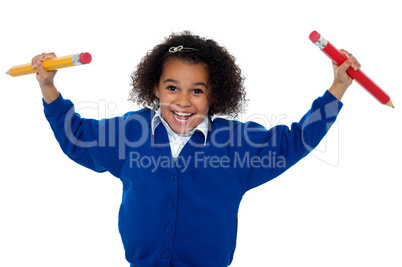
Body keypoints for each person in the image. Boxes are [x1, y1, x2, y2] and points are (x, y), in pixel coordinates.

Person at [32, 31, 360, 267]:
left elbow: (294, 140)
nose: (184, 101)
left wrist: (337, 88)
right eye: (172, 88)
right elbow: (76, 138)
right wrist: (48, 86)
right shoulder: (130, 132)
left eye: (197, 91)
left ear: (213, 94)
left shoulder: (235, 144)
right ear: (155, 88)